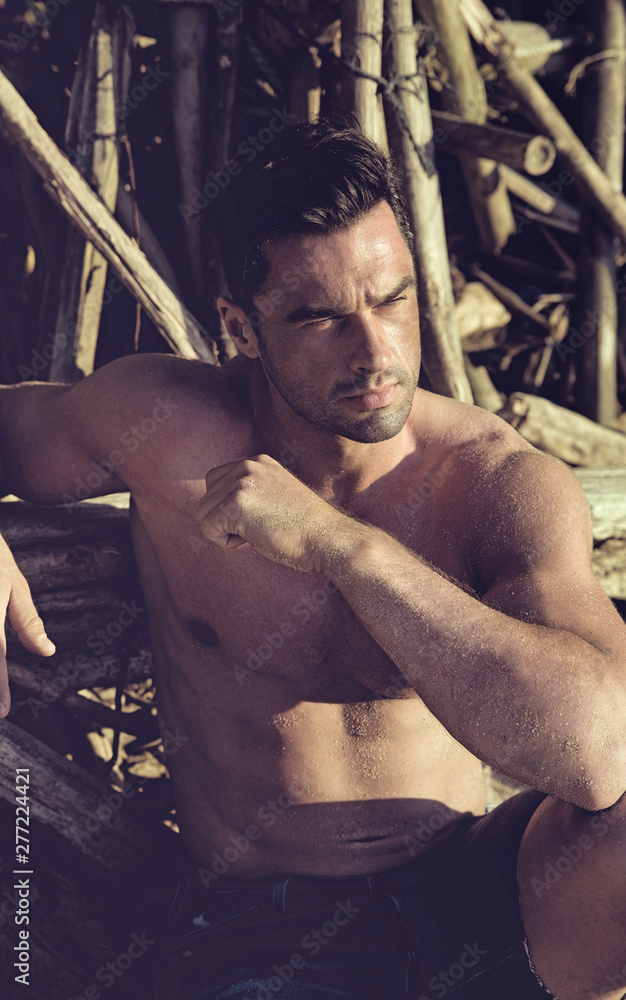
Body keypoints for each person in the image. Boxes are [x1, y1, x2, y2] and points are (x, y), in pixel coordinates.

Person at [0, 116, 624, 1000]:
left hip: (475, 889)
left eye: (393, 300)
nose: (376, 353)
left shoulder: (491, 481)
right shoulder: (163, 429)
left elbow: (600, 752)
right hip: (255, 922)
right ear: (239, 327)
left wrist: (341, 548)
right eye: (323, 316)